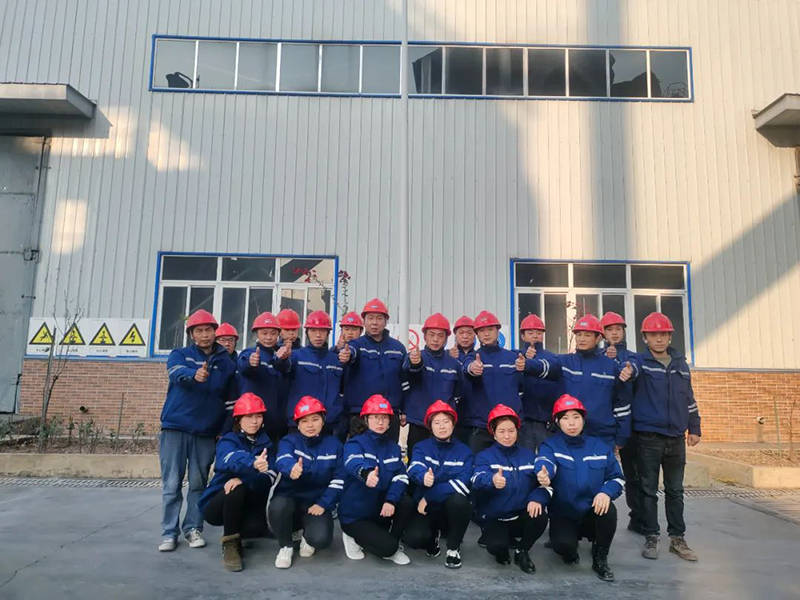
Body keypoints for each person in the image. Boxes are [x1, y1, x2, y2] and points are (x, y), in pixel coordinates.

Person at [159, 309, 236, 553]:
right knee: (171, 485)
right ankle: (169, 533)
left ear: (215, 332)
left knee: (198, 484)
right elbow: (175, 373)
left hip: (206, 432)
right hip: (175, 428)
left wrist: (223, 431)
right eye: (199, 331)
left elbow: (230, 403)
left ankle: (193, 528)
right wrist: (195, 374)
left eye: (208, 330)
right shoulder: (180, 355)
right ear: (191, 334)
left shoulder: (226, 363)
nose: (204, 335)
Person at [631, 312, 701, 562]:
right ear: (645, 338)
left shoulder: (681, 365)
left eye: (663, 334)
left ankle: (677, 539)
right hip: (649, 438)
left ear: (670, 336)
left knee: (675, 490)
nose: (659, 339)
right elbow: (626, 374)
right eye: (653, 335)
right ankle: (651, 535)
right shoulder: (639, 363)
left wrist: (694, 427)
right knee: (648, 490)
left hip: (676, 438)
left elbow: (689, 398)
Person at [535, 395, 625, 582]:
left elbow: (617, 477)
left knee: (609, 509)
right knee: (564, 547)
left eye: (576, 417)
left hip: (591, 511)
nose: (571, 423)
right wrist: (544, 474)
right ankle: (568, 547)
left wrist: (606, 492)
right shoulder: (550, 445)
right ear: (558, 422)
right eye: (565, 418)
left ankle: (600, 557)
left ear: (583, 420)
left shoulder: (600, 447)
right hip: (564, 513)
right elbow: (545, 462)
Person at [522, 314, 634, 449]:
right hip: (566, 436)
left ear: (598, 338)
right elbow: (544, 366)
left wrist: (621, 437)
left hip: (601, 437)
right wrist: (526, 364)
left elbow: (622, 404)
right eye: (579, 334)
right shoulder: (564, 362)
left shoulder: (611, 367)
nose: (581, 339)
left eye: (587, 335)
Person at [198, 393, 276, 572]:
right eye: (248, 416)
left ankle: (254, 527)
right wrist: (252, 463)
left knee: (254, 525)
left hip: (248, 505)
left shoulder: (267, 444)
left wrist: (244, 478)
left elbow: (269, 477)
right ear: (238, 420)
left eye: (258, 416)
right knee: (236, 488)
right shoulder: (228, 440)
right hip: (216, 505)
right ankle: (230, 544)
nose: (254, 421)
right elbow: (228, 459)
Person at [471, 405, 550, 574]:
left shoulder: (529, 456)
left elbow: (545, 487)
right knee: (497, 546)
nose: (507, 436)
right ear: (493, 433)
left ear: (517, 431)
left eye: (511, 431)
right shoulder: (484, 457)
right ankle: (502, 546)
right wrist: (492, 480)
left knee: (540, 515)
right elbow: (476, 480)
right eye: (501, 431)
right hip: (495, 518)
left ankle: (522, 550)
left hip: (520, 515)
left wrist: (537, 497)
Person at [269, 396, 344, 569]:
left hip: (316, 502)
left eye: (315, 419)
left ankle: (306, 535)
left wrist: (324, 503)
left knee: (321, 539)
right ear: (298, 424)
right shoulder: (289, 441)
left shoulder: (335, 445)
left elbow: (340, 478)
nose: (310, 425)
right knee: (278, 507)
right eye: (304, 421)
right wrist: (291, 468)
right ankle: (286, 546)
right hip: (289, 498)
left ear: (323, 420)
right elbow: (282, 459)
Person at [338, 395, 414, 565]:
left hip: (378, 511)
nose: (380, 422)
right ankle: (353, 536)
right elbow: (353, 462)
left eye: (384, 418)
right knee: (387, 547)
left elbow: (401, 477)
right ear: (366, 419)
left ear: (389, 422)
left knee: (406, 502)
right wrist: (366, 474)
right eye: (375, 417)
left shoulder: (393, 448)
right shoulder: (355, 444)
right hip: (355, 516)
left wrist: (391, 500)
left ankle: (391, 544)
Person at [405, 400, 473, 569]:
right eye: (437, 422)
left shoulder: (465, 451)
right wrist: (423, 477)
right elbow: (414, 467)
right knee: (414, 539)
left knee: (460, 502)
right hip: (426, 509)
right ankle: (431, 538)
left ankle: (453, 548)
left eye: (446, 421)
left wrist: (429, 496)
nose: (442, 426)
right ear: (430, 426)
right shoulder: (421, 447)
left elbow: (463, 484)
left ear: (453, 424)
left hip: (447, 509)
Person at [341, 299, 408, 442]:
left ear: (386, 321)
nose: (374, 322)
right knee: (359, 451)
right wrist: (347, 355)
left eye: (379, 318)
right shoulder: (357, 344)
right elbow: (351, 351)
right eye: (370, 318)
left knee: (389, 452)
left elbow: (405, 381)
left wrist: (405, 410)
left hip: (390, 413)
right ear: (364, 321)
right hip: (360, 413)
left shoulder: (398, 348)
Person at [600, 311, 643, 534]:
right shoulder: (598, 356)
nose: (614, 333)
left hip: (630, 425)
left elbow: (633, 370)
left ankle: (638, 517)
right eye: (609, 330)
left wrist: (623, 366)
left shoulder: (632, 357)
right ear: (602, 334)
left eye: (618, 329)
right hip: (604, 425)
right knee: (599, 473)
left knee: (633, 474)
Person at [458, 311, 525, 454]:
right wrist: (473, 368)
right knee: (478, 464)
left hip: (509, 425)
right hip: (481, 427)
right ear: (477, 334)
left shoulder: (513, 358)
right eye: (482, 330)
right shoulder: (472, 357)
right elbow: (467, 367)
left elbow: (522, 387)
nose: (486, 334)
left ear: (498, 330)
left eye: (490, 329)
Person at [274, 311, 345, 439]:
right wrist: (281, 359)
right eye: (313, 330)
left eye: (322, 331)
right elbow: (283, 366)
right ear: (307, 333)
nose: (318, 335)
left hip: (329, 424)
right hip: (300, 422)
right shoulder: (296, 356)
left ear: (328, 333)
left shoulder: (336, 360)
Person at [402, 313, 462, 454]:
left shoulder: (454, 364)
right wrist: (415, 363)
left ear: (446, 338)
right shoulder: (415, 357)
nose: (435, 339)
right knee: (416, 462)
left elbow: (458, 394)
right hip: (419, 423)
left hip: (444, 426)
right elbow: (410, 370)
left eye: (440, 336)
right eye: (431, 335)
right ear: (424, 336)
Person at [237, 312, 287, 445]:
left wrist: (283, 359)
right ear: (256, 334)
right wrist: (251, 363)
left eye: (273, 333)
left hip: (278, 424)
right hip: (254, 423)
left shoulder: (281, 355)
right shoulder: (250, 353)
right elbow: (243, 364)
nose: (269, 337)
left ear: (279, 334)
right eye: (264, 333)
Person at [516, 314, 559, 453]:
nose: (535, 336)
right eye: (530, 333)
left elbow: (553, 370)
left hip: (546, 421)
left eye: (539, 333)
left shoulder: (552, 357)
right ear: (522, 336)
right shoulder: (515, 356)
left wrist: (529, 364)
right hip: (523, 421)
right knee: (524, 458)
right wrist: (524, 358)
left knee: (547, 457)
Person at [215, 323, 241, 425]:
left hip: (234, 413)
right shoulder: (209, 363)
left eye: (231, 340)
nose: (227, 344)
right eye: (222, 340)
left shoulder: (241, 364)